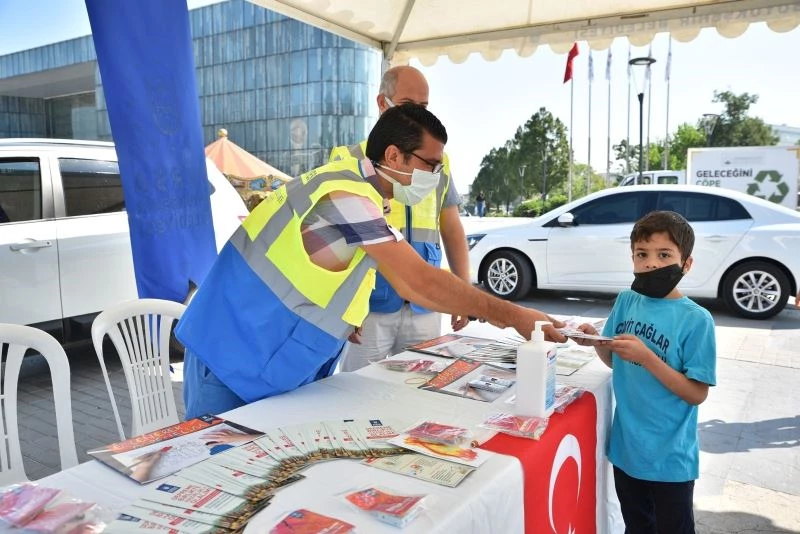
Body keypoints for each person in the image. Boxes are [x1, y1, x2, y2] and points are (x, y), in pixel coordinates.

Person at [175, 104, 565, 419]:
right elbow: (417, 281)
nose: (438, 176)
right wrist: (513, 316)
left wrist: (344, 314)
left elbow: (325, 265)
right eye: (431, 165)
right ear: (394, 155)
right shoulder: (345, 194)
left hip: (260, 349)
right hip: (232, 353)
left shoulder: (359, 192)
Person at [571, 211, 716, 534]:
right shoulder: (626, 301)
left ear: (686, 264)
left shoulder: (696, 320)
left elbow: (696, 393)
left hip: (670, 459)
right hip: (627, 450)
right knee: (637, 526)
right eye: (642, 254)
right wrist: (593, 342)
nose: (651, 263)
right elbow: (616, 361)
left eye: (664, 255)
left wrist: (648, 357)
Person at [329, 65, 471, 372]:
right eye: (409, 106)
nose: (417, 116)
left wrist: (463, 287)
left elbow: (451, 227)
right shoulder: (349, 159)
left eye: (424, 107)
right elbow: (334, 245)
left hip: (425, 305)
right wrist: (344, 306)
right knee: (359, 397)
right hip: (369, 307)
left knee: (422, 392)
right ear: (383, 103)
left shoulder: (437, 161)